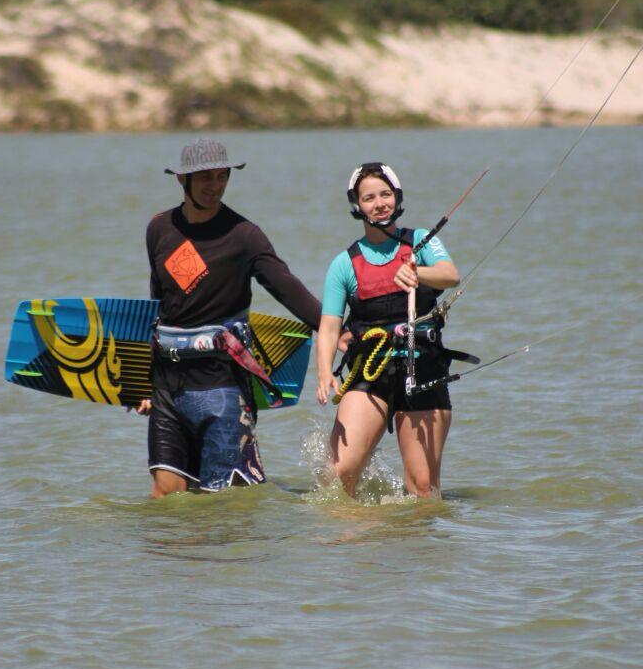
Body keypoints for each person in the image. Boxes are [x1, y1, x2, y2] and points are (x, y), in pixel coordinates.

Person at [136, 138, 322, 498]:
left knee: (225, 502)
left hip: (222, 385)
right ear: (182, 180)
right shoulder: (159, 229)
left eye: (222, 176)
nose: (214, 186)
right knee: (165, 494)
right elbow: (157, 307)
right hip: (168, 388)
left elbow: (286, 287)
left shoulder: (244, 235)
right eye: (205, 177)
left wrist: (335, 329)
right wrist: (143, 383)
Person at [316, 162, 461, 499]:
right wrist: (324, 372)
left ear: (397, 198)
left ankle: (417, 547)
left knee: (423, 487)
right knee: (339, 475)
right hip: (371, 371)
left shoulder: (421, 241)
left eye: (386, 194)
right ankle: (354, 543)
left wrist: (418, 274)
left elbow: (450, 274)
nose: (379, 203)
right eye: (369, 198)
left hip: (422, 368)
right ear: (357, 205)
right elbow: (329, 325)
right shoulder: (344, 264)